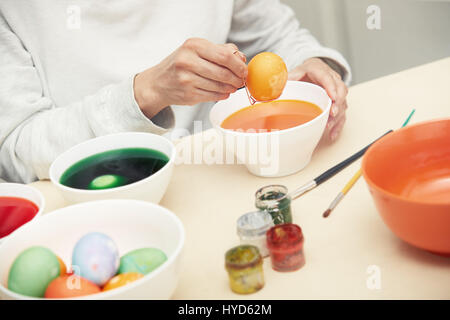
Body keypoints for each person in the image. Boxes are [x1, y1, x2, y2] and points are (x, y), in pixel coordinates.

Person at [0, 0, 351, 183]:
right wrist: (145, 93)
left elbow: (279, 37)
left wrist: (314, 65)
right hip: (95, 197)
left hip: (224, 174)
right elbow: (17, 152)